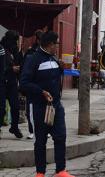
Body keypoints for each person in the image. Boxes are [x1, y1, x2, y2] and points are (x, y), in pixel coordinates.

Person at [20, 31, 75, 177]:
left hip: (56, 106)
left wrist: (61, 68)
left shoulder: (54, 58)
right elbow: (24, 83)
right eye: (57, 43)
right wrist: (41, 92)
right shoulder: (33, 59)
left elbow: (54, 79)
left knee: (60, 136)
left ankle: (61, 170)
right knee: (40, 140)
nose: (58, 46)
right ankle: (40, 172)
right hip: (38, 106)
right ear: (50, 44)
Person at [1, 30, 23, 138]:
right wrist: (11, 69)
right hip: (2, 82)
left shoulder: (15, 51)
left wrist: (19, 53)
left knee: (15, 106)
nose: (17, 43)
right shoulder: (2, 49)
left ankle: (14, 127)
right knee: (1, 107)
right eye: (16, 41)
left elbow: (20, 64)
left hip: (12, 82)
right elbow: (2, 67)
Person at [23, 30, 43, 139]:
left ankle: (44, 129)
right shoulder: (31, 52)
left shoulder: (46, 52)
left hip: (42, 84)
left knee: (43, 108)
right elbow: (24, 68)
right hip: (32, 84)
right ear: (38, 40)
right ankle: (32, 131)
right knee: (30, 109)